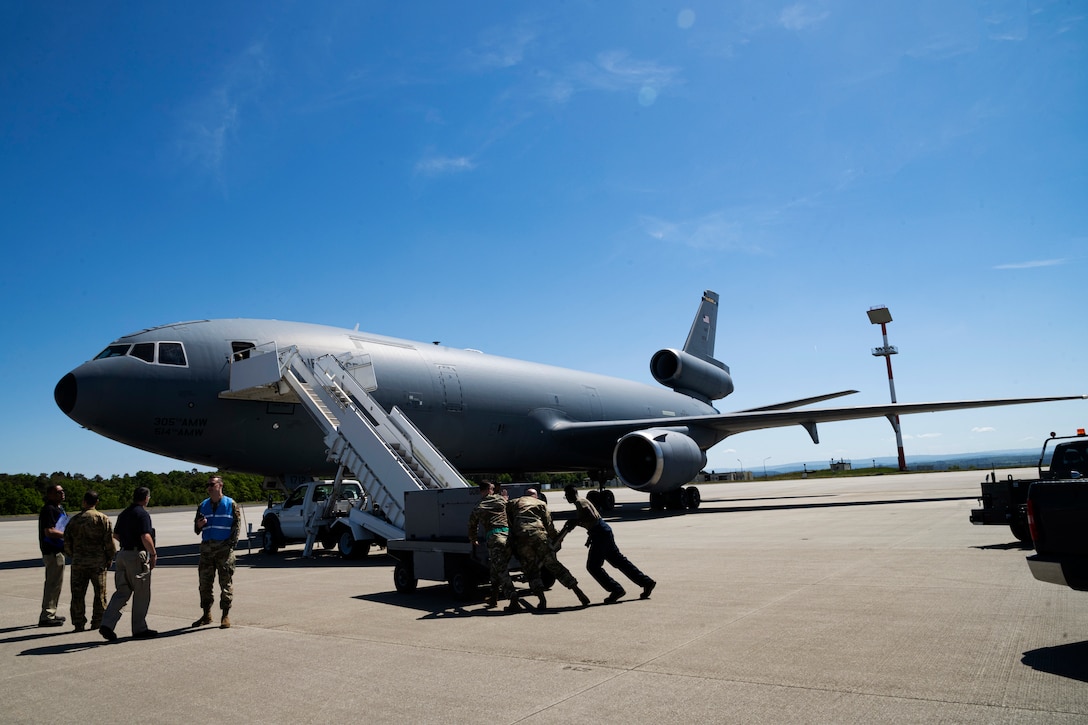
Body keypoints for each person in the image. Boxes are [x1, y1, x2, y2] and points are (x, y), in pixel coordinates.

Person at [561, 485, 656, 604]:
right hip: (602, 532)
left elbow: (591, 516)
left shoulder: (580, 502)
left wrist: (575, 521)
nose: (566, 497)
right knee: (619, 561)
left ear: (571, 494)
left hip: (600, 534)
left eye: (566, 495)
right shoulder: (581, 501)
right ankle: (646, 582)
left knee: (593, 567)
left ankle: (616, 590)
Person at [507, 488, 590, 610]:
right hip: (539, 535)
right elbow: (549, 525)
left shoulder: (514, 502)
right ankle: (578, 592)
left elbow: (507, 517)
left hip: (522, 537)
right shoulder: (541, 503)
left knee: (531, 570)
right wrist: (555, 537)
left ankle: (542, 600)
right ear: (536, 496)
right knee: (554, 565)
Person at [99, 487, 158, 641]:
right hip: (136, 555)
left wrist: (127, 542)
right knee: (141, 593)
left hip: (122, 554)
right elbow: (145, 535)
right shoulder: (142, 514)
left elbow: (116, 534)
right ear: (145, 498)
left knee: (122, 591)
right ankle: (139, 628)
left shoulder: (124, 513)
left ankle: (107, 623)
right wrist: (153, 553)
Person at [192, 475, 241, 629]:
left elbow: (236, 526)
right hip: (206, 550)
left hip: (223, 550)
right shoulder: (203, 505)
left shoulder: (231, 504)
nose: (209, 487)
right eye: (208, 485)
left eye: (212, 484)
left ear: (220, 485)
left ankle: (225, 615)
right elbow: (196, 529)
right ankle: (206, 614)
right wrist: (199, 525)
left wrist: (230, 546)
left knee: (225, 583)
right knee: (204, 584)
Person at [63, 491, 116, 632]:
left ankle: (78, 623)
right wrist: (109, 557)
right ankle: (97, 621)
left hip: (79, 563)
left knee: (78, 594)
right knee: (100, 594)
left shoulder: (74, 521)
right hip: (97, 562)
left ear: (84, 502)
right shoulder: (102, 519)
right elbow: (109, 542)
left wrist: (74, 556)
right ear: (96, 502)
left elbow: (66, 543)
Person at [467, 481, 519, 611]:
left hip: (495, 540)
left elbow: (472, 524)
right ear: (488, 490)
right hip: (508, 537)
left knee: (501, 570)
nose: (493, 491)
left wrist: (473, 539)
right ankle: (493, 598)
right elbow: (511, 506)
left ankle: (513, 600)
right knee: (495, 570)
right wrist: (505, 498)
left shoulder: (479, 506)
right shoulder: (501, 500)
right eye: (492, 489)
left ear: (481, 491)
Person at [38, 484, 69, 627]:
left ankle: (51, 612)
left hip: (58, 551)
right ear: (50, 494)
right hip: (52, 552)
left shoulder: (58, 509)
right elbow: (49, 532)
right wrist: (69, 535)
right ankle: (47, 616)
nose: (62, 493)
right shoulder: (49, 510)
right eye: (58, 492)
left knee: (56, 584)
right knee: (52, 583)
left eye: (62, 491)